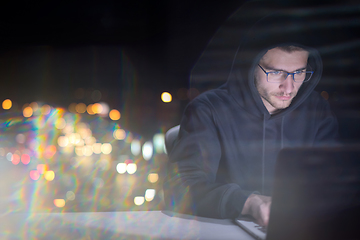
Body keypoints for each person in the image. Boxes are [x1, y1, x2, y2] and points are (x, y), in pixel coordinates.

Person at [163, 6, 338, 227]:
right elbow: (178, 187)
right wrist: (250, 203)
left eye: (299, 73)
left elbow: (332, 183)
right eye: (275, 72)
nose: (289, 86)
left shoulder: (317, 111)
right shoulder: (208, 109)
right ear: (250, 66)